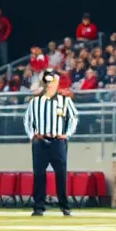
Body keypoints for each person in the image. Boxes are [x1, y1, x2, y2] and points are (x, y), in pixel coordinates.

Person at [23, 69, 79, 216]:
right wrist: (32, 135)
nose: (49, 85)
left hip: (57, 141)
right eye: (47, 81)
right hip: (40, 141)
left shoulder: (64, 100)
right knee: (39, 174)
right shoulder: (35, 102)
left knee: (61, 174)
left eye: (52, 81)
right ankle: (38, 206)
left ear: (57, 83)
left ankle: (64, 205)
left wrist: (66, 135)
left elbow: (73, 118)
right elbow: (27, 119)